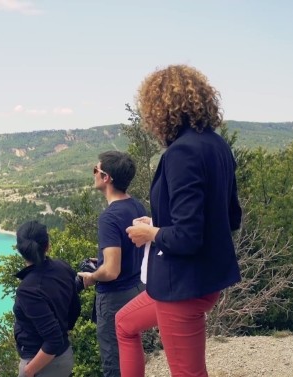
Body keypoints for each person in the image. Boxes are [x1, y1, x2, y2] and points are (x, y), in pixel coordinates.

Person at [118, 64, 243, 377]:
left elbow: (187, 237)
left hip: (182, 285)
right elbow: (231, 217)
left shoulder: (181, 152)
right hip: (206, 279)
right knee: (124, 322)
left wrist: (151, 233)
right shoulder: (217, 145)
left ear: (158, 110)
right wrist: (158, 222)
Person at [77, 150, 147, 377]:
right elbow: (132, 250)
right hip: (136, 289)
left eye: (95, 170)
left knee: (114, 361)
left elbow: (111, 271)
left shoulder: (109, 217)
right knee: (131, 351)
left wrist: (92, 275)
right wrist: (103, 260)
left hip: (114, 297)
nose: (94, 174)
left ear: (106, 177)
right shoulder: (136, 206)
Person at [13, 220, 81, 377]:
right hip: (64, 356)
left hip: (41, 363)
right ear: (47, 245)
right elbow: (74, 309)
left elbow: (53, 340)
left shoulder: (28, 290)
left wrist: (28, 371)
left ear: (20, 250)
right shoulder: (62, 267)